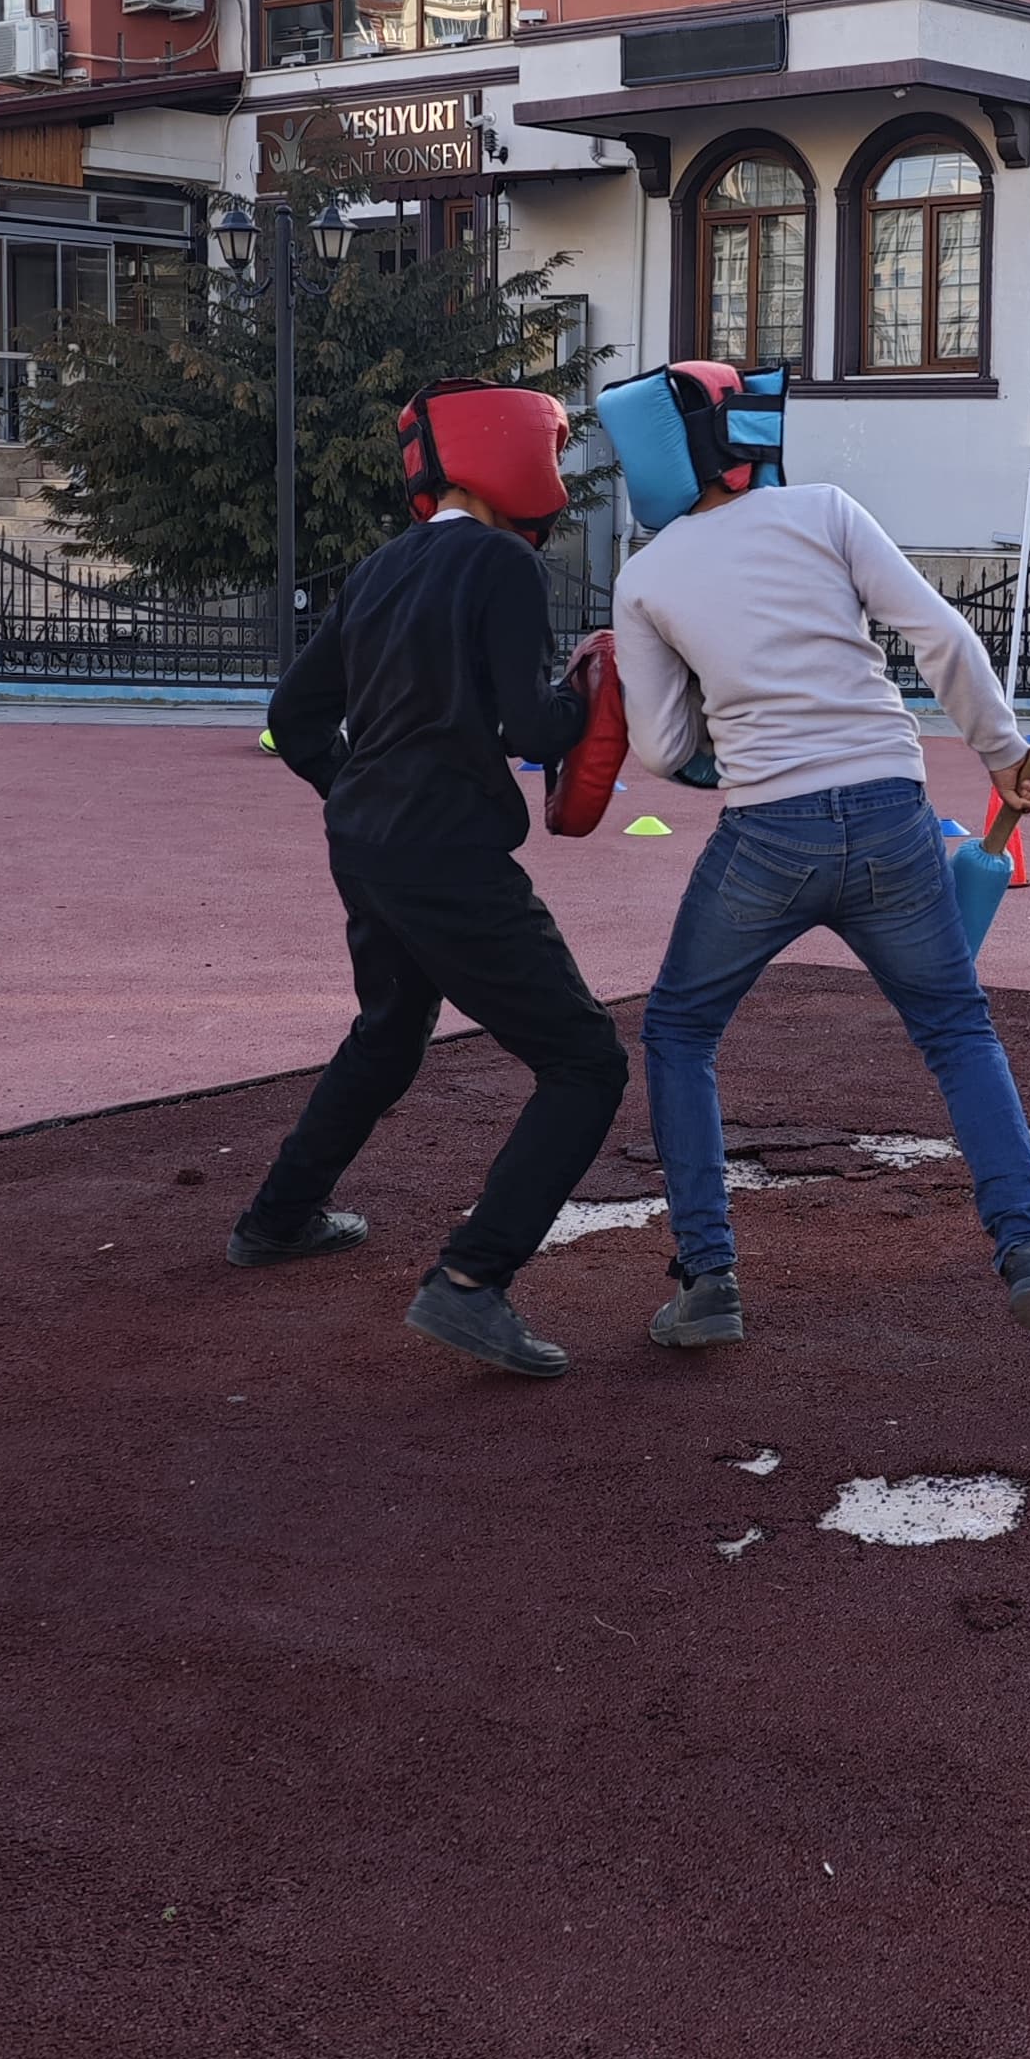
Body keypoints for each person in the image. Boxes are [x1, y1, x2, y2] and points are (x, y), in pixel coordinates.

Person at [609, 357, 1030, 1365]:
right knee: (956, 1029)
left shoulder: (647, 577)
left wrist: (724, 738)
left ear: (657, 460)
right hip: (892, 810)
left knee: (678, 1031)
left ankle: (707, 1279)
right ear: (749, 436)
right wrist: (1002, 753)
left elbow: (662, 750)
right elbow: (941, 636)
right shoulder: (826, 511)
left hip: (766, 831)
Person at [236, 378, 628, 1384]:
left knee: (390, 1029)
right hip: (445, 848)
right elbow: (530, 729)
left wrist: (353, 791)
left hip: (366, 841)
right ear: (514, 456)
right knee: (585, 1061)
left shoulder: (383, 563)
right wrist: (592, 693)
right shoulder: (503, 563)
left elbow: (292, 714)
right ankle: (470, 1280)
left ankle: (278, 1217)